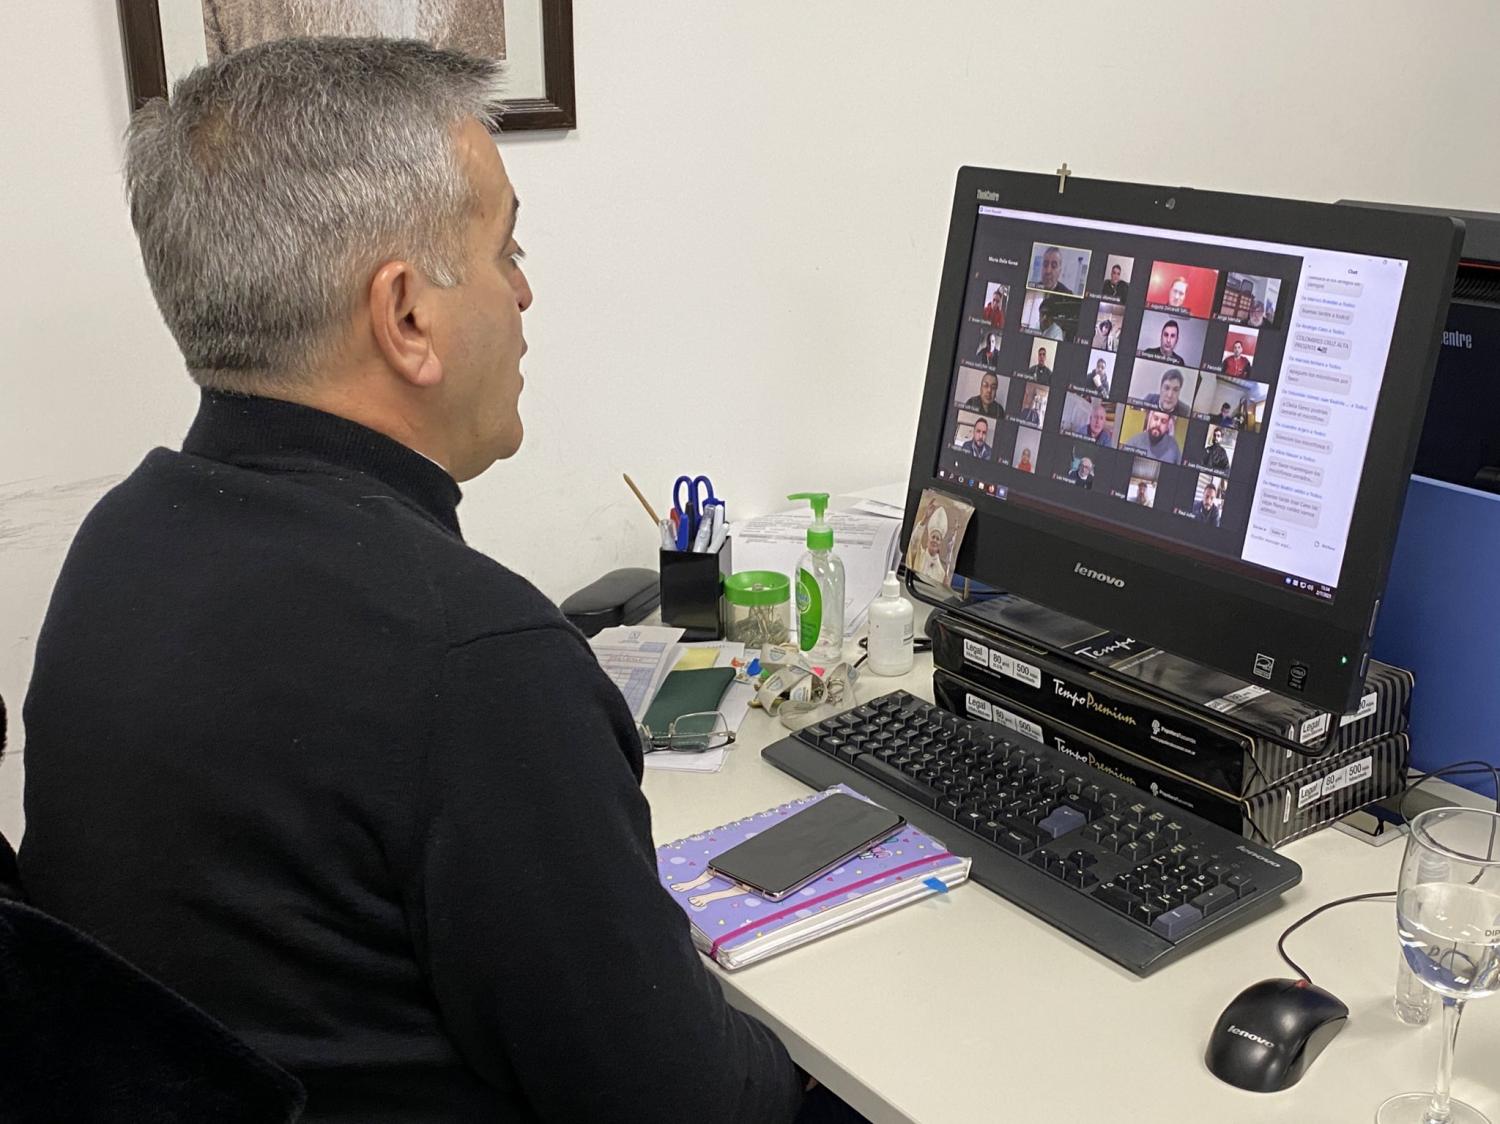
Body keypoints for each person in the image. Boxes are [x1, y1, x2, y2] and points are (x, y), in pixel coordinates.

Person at [19, 39, 817, 1124]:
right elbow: (686, 1104)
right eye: (508, 248)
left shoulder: (123, 540)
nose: (526, 293)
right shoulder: (470, 657)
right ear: (406, 317)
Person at [916, 503, 951, 584]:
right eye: (933, 537)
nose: (935, 540)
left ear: (940, 543)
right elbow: (915, 541)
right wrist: (925, 518)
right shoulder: (919, 555)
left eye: (938, 539)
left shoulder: (942, 573)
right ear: (928, 538)